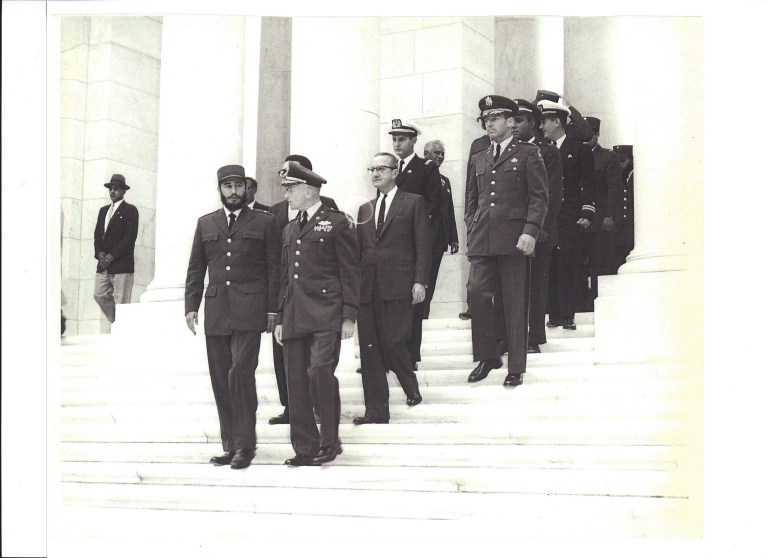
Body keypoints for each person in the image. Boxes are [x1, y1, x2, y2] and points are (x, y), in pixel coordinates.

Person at [184, 164, 281, 470]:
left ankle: (245, 445)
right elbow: (196, 269)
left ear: (246, 189)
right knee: (220, 380)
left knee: (240, 373)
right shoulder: (205, 223)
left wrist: (272, 310)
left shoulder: (264, 222)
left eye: (239, 186)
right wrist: (190, 306)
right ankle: (230, 445)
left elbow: (274, 269)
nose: (234, 192)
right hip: (217, 312)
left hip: (250, 312)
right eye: (228, 187)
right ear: (220, 190)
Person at [274, 162, 360, 466]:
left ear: (309, 191)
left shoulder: (337, 223)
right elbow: (286, 276)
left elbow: (349, 271)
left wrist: (349, 314)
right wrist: (281, 318)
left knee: (320, 372)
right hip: (296, 313)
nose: (286, 194)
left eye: (291, 188)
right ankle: (305, 447)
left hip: (327, 312)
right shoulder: (290, 227)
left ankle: (329, 440)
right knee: (295, 381)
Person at [465, 95, 548, 387]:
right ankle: (488, 356)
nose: (489, 123)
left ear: (511, 122)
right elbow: (471, 202)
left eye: (496, 118)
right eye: (486, 119)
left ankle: (516, 366)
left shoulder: (528, 153)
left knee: (514, 302)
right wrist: (471, 228)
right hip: (483, 238)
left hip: (514, 238)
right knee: (476, 293)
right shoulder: (478, 157)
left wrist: (531, 231)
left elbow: (539, 197)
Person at [353, 152, 431, 424]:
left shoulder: (413, 202)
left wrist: (420, 280)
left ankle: (410, 385)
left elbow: (423, 245)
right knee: (370, 349)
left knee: (394, 340)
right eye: (372, 169)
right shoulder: (365, 208)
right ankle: (376, 411)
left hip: (398, 285)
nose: (375, 173)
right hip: (368, 287)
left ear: (395, 172)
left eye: (381, 169)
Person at [266, 154, 338, 426]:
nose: (284, 182)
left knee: (317, 362)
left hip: (319, 302)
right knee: (284, 360)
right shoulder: (275, 211)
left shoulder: (327, 207)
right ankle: (290, 408)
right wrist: (276, 307)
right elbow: (277, 261)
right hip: (288, 298)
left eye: (291, 176)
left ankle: (319, 409)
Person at [511, 98, 563, 353]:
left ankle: (533, 337)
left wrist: (540, 229)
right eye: (513, 120)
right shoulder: (507, 151)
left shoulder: (548, 152)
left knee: (536, 285)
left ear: (533, 122)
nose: (515, 126)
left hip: (538, 231)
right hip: (511, 231)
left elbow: (551, 195)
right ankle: (512, 337)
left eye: (519, 120)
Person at [538, 99, 596, 331]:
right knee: (549, 265)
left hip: (569, 216)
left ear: (557, 122)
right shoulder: (541, 151)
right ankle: (552, 314)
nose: (541, 127)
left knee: (568, 265)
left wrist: (587, 211)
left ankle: (568, 314)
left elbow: (588, 183)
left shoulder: (579, 148)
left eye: (544, 121)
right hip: (547, 217)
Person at [389, 119, 441, 370]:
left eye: (402, 139)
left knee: (414, 302)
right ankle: (390, 354)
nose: (397, 144)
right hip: (391, 245)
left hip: (413, 242)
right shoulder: (389, 169)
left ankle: (411, 356)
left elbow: (432, 204)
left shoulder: (426, 168)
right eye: (394, 139)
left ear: (413, 141)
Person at [583, 117, 622, 301]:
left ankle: (599, 302)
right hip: (580, 220)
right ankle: (581, 304)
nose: (586, 137)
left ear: (597, 134)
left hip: (600, 220)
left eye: (590, 133)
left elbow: (614, 188)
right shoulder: (577, 155)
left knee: (600, 264)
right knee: (578, 266)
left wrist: (611, 215)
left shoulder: (608, 157)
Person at [93, 173, 139, 323]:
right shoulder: (103, 210)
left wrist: (111, 256)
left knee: (122, 302)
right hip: (103, 265)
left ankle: (122, 328)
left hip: (121, 265)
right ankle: (118, 323)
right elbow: (98, 235)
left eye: (117, 189)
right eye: (111, 189)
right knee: (99, 294)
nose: (113, 191)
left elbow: (129, 238)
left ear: (124, 191)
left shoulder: (130, 210)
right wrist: (100, 253)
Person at [422, 140, 459, 319]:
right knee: (421, 276)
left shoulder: (445, 181)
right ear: (426, 154)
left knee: (432, 277)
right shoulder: (420, 175)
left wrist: (454, 238)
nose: (440, 156)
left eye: (442, 153)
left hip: (439, 237)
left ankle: (424, 314)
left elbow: (449, 210)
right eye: (436, 153)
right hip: (423, 236)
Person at [612, 145, 635, 272]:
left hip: (632, 232)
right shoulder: (614, 178)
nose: (621, 165)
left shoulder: (635, 177)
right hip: (617, 233)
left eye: (623, 161)